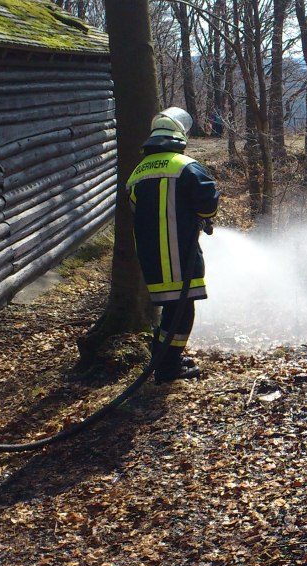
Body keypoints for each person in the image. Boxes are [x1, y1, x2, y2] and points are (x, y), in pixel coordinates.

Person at [128, 107, 219, 383]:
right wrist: (202, 217)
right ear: (179, 137)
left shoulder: (138, 172)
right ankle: (168, 367)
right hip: (179, 254)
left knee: (172, 309)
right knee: (182, 311)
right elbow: (208, 201)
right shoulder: (184, 166)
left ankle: (164, 357)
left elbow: (136, 210)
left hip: (151, 257)